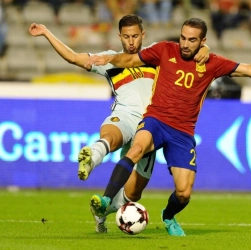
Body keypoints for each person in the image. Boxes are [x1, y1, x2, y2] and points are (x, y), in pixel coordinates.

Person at [85, 17, 251, 236]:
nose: (185, 44)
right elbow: (130, 61)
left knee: (184, 193)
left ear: (203, 41)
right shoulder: (164, 50)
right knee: (136, 149)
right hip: (155, 120)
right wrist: (109, 58)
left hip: (182, 133)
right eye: (183, 38)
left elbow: (250, 69)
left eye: (192, 40)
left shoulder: (212, 62)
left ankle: (168, 216)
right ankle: (106, 198)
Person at [28, 14, 210, 233]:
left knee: (133, 194)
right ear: (119, 36)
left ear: (143, 35)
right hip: (125, 116)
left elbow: (187, 48)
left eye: (135, 36)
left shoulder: (156, 54)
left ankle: (102, 211)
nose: (131, 41)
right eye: (126, 37)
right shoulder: (109, 59)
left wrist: (205, 49)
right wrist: (47, 33)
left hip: (151, 125)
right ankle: (92, 157)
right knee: (110, 137)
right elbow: (74, 57)